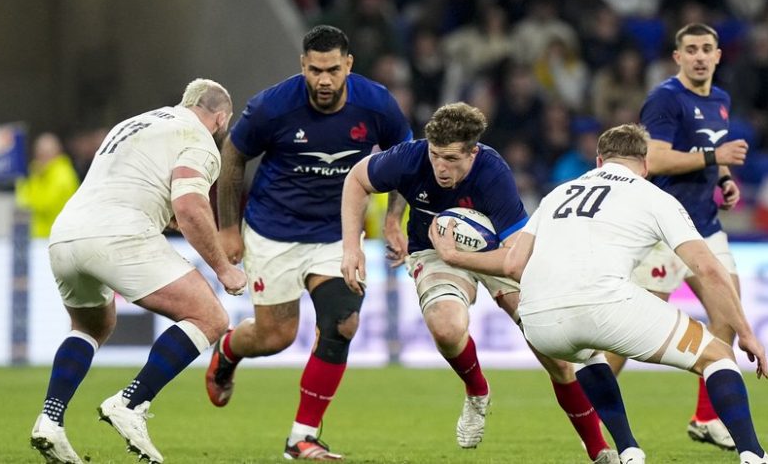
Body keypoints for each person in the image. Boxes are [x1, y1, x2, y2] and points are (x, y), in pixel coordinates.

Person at [341, 102, 618, 464]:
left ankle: (598, 449)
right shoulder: (409, 158)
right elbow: (356, 180)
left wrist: (462, 257)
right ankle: (477, 391)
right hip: (432, 249)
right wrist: (352, 247)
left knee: (555, 355)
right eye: (436, 155)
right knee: (446, 327)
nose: (441, 167)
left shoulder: (493, 173)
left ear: (473, 151)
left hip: (498, 252)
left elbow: (515, 260)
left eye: (452, 158)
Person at [506, 123, 768, 464]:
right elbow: (708, 269)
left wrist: (458, 256)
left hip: (539, 322)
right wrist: (746, 333)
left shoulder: (558, 194)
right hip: (603, 305)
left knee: (588, 355)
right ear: (646, 165)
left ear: (599, 160)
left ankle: (629, 452)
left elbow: (513, 264)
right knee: (718, 356)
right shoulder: (653, 196)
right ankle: (754, 456)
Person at [205, 25, 412, 461]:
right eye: (315, 70)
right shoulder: (272, 106)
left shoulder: (375, 104)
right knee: (274, 337)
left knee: (343, 324)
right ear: (303, 65)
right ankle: (228, 350)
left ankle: (302, 436)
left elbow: (405, 157)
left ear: (348, 66)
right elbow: (234, 156)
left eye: (332, 70)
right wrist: (227, 227)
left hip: (338, 235)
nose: (323, 80)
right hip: (272, 232)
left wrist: (394, 219)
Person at [30, 79, 245, 464]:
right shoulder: (198, 138)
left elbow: (133, 186)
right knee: (210, 316)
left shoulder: (135, 123)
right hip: (117, 233)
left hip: (66, 233)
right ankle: (130, 402)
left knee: (92, 326)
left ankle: (50, 419)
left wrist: (169, 216)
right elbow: (191, 206)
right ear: (221, 117)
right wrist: (224, 269)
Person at [605, 23, 751, 450]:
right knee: (634, 330)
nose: (701, 56)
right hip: (664, 228)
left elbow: (713, 151)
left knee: (728, 314)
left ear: (719, 55)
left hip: (705, 225)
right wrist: (715, 157)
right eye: (692, 49)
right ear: (678, 57)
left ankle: (707, 417)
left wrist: (723, 178)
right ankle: (595, 418)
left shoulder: (720, 100)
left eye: (708, 48)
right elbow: (653, 158)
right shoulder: (665, 98)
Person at [15, 132, 80, 238]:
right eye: (40, 153)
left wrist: (34, 181)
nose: (43, 157)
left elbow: (45, 204)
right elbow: (20, 201)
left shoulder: (64, 174)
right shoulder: (35, 172)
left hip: (58, 238)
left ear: (57, 153)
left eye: (46, 153)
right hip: (35, 237)